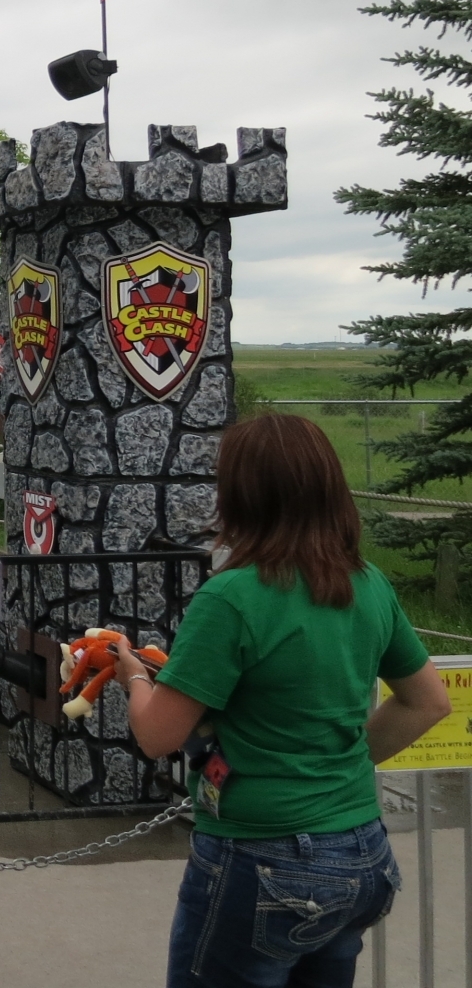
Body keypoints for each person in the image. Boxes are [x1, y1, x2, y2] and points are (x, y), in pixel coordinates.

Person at [109, 414, 450, 988]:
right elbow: (428, 702)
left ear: (242, 495)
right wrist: (333, 768)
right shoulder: (368, 583)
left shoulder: (231, 597)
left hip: (259, 859)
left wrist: (134, 678)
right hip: (361, 850)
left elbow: (157, 734)